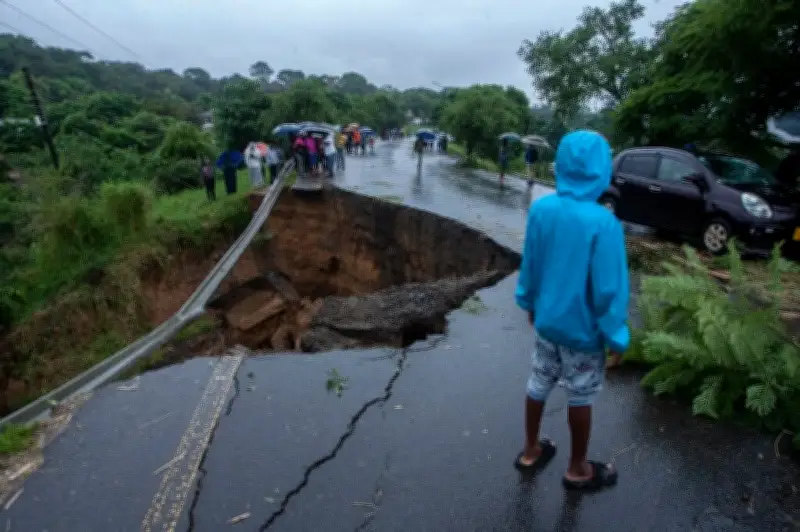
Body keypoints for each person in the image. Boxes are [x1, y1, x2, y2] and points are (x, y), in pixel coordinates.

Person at [514, 130, 629, 491]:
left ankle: (531, 450)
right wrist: (616, 336)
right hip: (584, 332)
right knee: (580, 394)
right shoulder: (603, 223)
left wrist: (530, 303)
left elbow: (531, 263)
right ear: (601, 168)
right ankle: (578, 468)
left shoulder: (542, 209)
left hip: (547, 324)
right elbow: (608, 288)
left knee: (538, 382)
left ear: (560, 163)